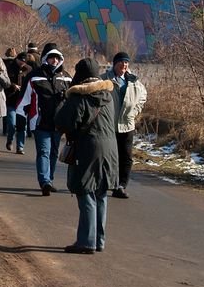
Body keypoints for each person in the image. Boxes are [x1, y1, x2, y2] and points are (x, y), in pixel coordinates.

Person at [57, 57, 119, 254]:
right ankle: (99, 240)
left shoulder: (79, 97)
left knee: (85, 192)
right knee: (101, 193)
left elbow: (64, 122)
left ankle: (86, 241)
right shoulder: (109, 95)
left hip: (87, 147)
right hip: (110, 148)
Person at [15, 47, 70, 195]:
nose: (55, 60)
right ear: (46, 58)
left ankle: (49, 180)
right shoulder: (34, 76)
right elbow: (24, 98)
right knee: (44, 152)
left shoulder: (66, 77)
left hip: (58, 123)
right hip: (40, 122)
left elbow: (72, 101)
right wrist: (20, 119)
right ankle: (44, 181)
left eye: (57, 57)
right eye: (52, 57)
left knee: (53, 153)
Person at [102, 51, 147, 199]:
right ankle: (109, 182)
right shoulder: (104, 79)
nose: (124, 65)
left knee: (126, 157)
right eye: (121, 62)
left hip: (127, 124)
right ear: (115, 64)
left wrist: (135, 111)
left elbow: (143, 96)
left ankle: (121, 185)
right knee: (110, 156)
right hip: (109, 124)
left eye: (126, 63)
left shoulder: (134, 81)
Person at [2, 47, 34, 154]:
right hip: (11, 99)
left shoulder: (29, 70)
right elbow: (4, 81)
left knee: (22, 125)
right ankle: (10, 140)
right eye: (21, 61)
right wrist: (12, 86)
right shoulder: (9, 67)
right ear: (17, 59)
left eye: (25, 63)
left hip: (23, 101)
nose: (22, 64)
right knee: (11, 123)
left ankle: (20, 147)